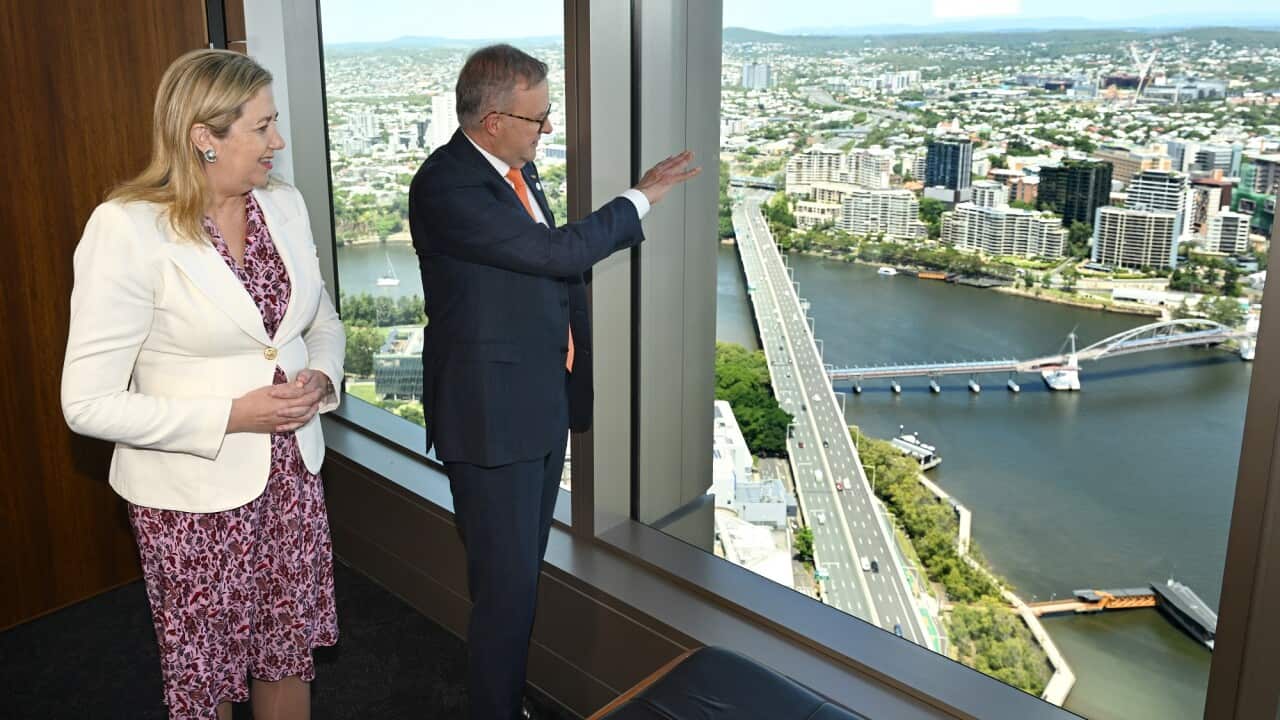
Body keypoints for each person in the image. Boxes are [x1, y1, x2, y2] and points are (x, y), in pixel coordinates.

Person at [409, 44, 699, 720]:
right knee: (507, 591)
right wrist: (642, 196)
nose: (549, 130)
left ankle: (502, 697)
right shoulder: (448, 185)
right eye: (539, 119)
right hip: (490, 421)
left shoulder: (514, 169)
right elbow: (556, 254)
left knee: (517, 583)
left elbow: (549, 274)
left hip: (536, 409)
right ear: (492, 121)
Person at [61, 49, 345, 720]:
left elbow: (321, 319)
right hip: (190, 498)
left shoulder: (285, 203)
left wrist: (319, 377)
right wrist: (229, 416)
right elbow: (85, 403)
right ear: (204, 138)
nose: (278, 141)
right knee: (206, 677)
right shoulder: (127, 228)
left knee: (286, 651)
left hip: (292, 478)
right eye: (262, 126)